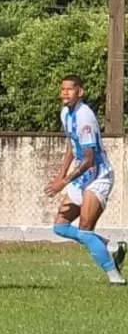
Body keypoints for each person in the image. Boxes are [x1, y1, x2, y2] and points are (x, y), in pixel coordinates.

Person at [46, 74, 127, 285]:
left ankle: (115, 277)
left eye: (70, 89)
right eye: (62, 89)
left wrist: (63, 182)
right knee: (60, 227)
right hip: (83, 177)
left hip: (98, 175)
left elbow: (90, 160)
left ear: (80, 92)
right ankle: (112, 246)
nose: (65, 93)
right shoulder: (65, 113)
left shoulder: (85, 117)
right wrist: (61, 174)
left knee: (84, 230)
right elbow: (72, 146)